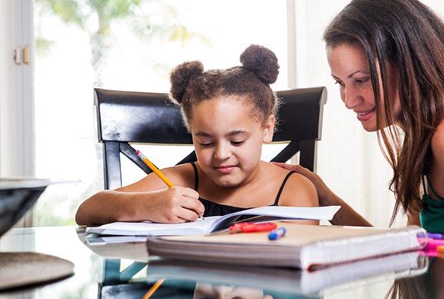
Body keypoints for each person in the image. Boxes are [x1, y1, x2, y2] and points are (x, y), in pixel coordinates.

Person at [276, 0, 444, 245]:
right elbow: (405, 252)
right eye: (340, 83)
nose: (348, 101)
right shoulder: (423, 136)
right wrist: (326, 199)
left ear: (410, 64)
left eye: (361, 80)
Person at [75, 44, 318, 226]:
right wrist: (147, 205)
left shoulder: (293, 190)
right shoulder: (183, 179)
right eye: (206, 142)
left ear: (267, 129)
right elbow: (86, 211)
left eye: (237, 141)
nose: (221, 154)